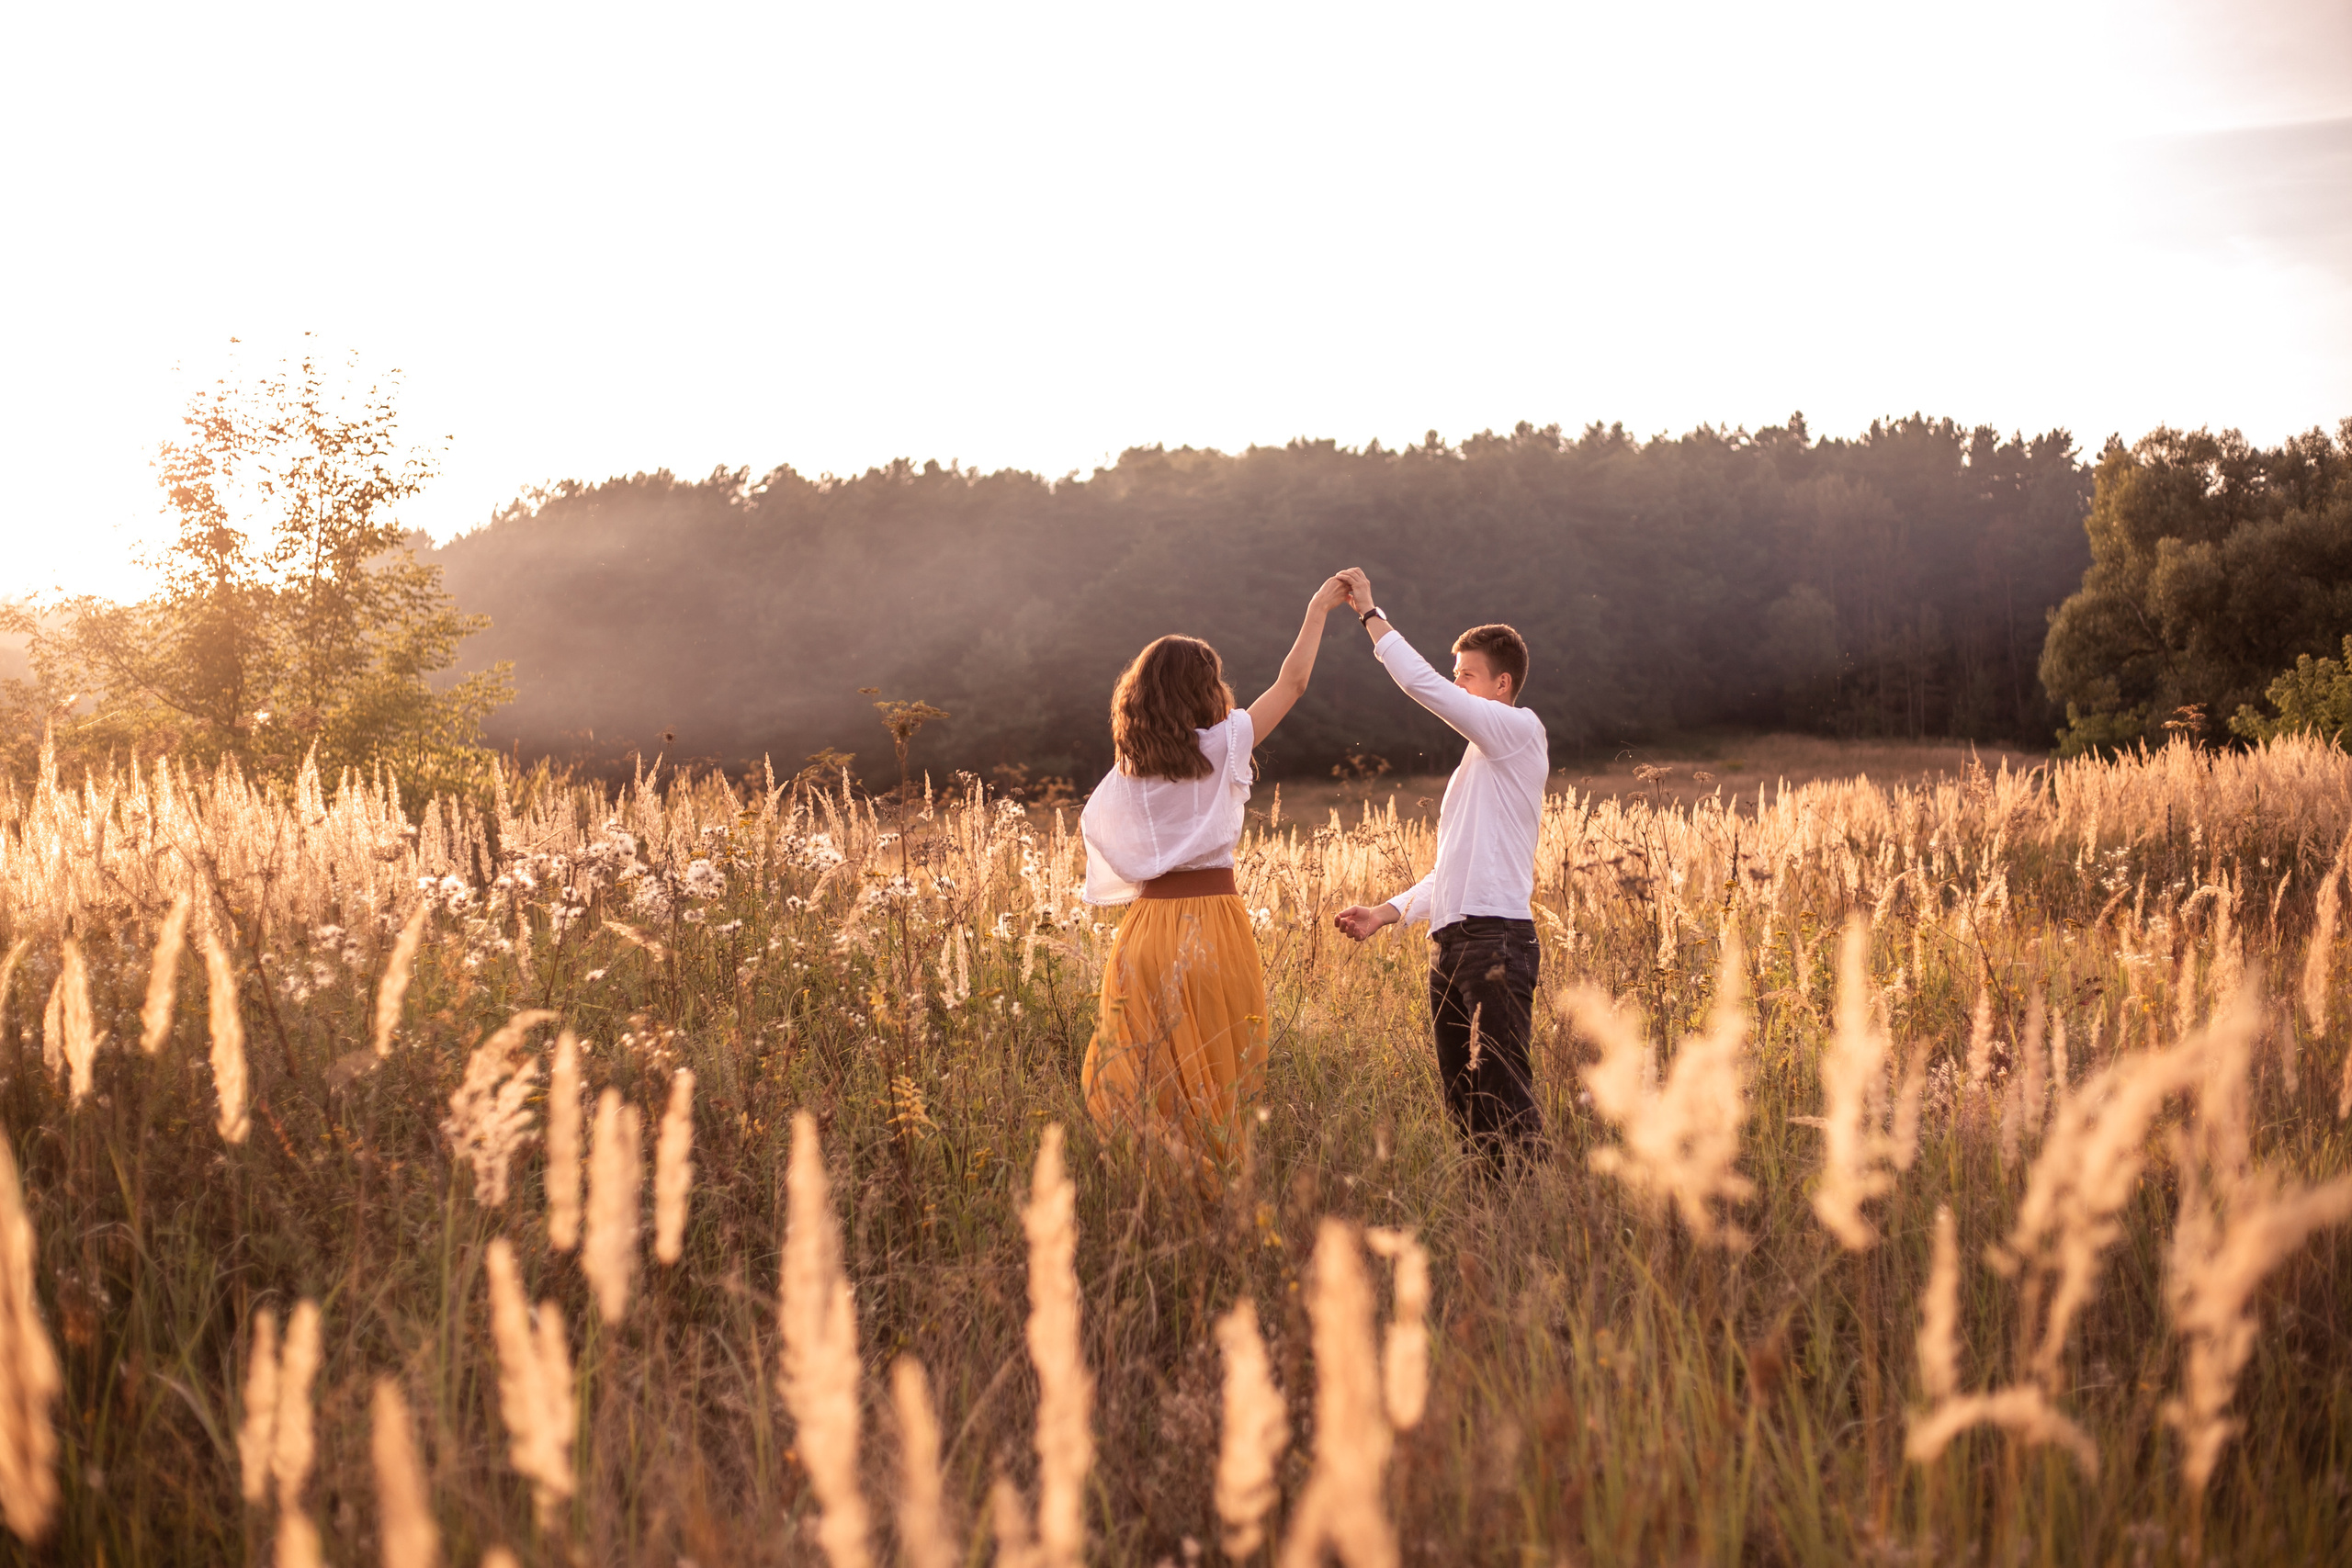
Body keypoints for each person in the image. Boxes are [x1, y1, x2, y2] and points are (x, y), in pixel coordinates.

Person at [1080, 575, 1356, 1164]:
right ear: (1203, 690)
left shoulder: (1129, 769)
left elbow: (1105, 841)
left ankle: (1155, 1189)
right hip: (1212, 925)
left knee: (1147, 1068)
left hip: (1145, 931)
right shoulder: (1225, 744)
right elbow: (1294, 682)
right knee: (1217, 1063)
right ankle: (1213, 1191)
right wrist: (1315, 612)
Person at [1331, 567, 1548, 1170]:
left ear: (1502, 684)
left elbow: (1424, 686)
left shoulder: (1517, 731)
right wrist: (1388, 910)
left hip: (1496, 941)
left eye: (1467, 676)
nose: (1456, 686)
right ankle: (1489, 1222)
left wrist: (1370, 615)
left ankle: (1532, 1221)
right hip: (1451, 945)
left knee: (1504, 1096)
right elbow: (1454, 868)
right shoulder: (1479, 764)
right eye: (1457, 677)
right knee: (1464, 1103)